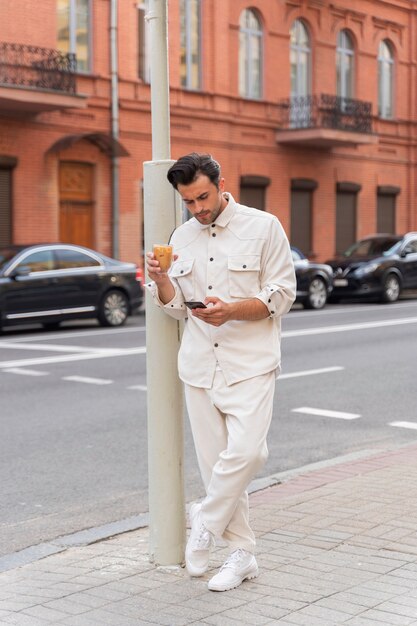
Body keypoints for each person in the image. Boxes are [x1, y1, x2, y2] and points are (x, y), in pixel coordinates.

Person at [145, 152, 296, 592]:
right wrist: (163, 281)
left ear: (220, 183)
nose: (198, 209)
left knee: (249, 454)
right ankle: (242, 554)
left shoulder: (264, 227)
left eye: (203, 197)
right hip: (198, 366)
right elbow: (176, 311)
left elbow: (282, 295)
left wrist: (232, 311)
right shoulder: (182, 237)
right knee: (216, 470)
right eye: (188, 201)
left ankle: (205, 518)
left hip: (250, 362)